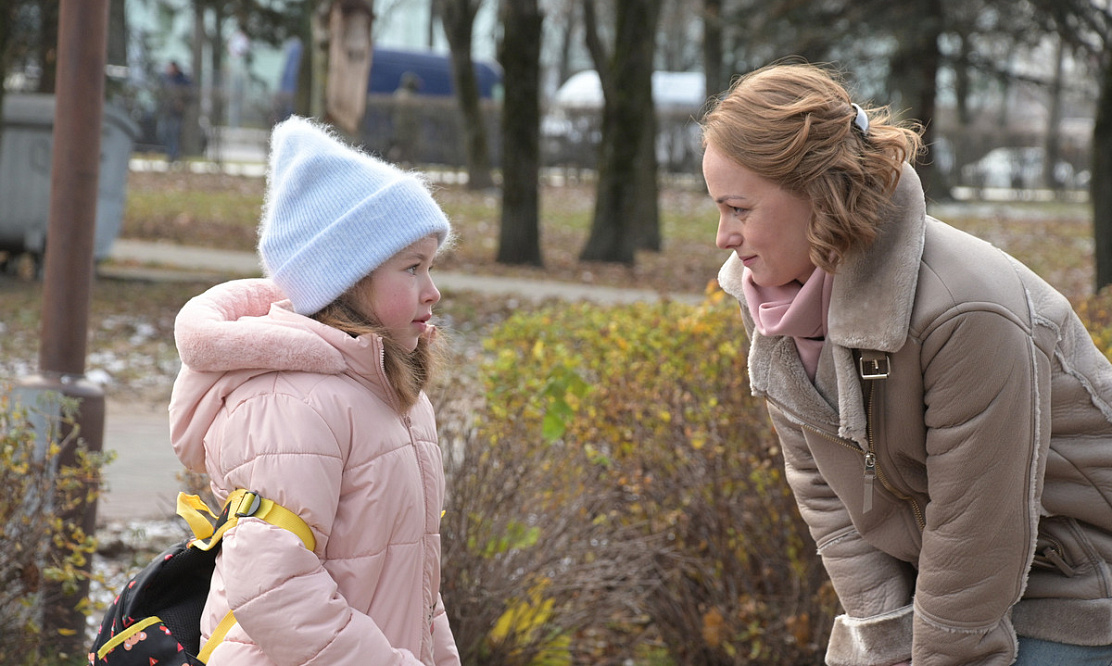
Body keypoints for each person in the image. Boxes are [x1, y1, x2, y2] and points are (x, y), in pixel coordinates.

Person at [701, 62, 1112, 666]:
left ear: (818, 196)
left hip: (1080, 579)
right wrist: (885, 636)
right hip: (952, 582)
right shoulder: (772, 296)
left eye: (739, 209)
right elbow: (824, 492)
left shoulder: (964, 309)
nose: (723, 237)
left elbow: (978, 532)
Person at [168, 115, 461, 665]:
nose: (433, 291)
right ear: (347, 283)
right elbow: (274, 589)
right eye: (413, 268)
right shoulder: (292, 402)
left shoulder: (393, 397)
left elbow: (416, 579)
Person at [160, 61, 192, 163]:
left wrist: (181, 103)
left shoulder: (182, 80)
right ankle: (170, 153)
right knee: (165, 133)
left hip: (177, 114)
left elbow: (189, 94)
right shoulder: (166, 80)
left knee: (174, 134)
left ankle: (174, 155)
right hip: (167, 112)